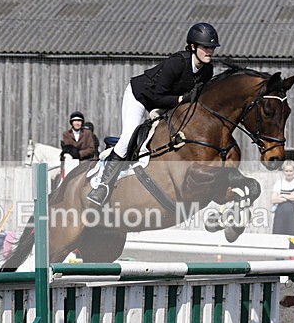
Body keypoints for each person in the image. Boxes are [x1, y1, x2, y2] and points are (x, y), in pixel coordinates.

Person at [87, 22, 221, 206]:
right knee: (128, 137)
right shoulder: (177, 62)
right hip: (141, 96)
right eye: (206, 47)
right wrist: (182, 99)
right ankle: (102, 185)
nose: (210, 51)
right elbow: (157, 96)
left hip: (166, 103)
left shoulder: (207, 70)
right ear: (193, 46)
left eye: (212, 47)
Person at [271, 160, 294, 240]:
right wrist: (289, 196)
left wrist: (282, 196)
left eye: (291, 171)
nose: (288, 173)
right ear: (283, 171)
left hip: (293, 215)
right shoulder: (279, 183)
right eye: (286, 171)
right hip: (280, 214)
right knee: (278, 234)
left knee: (292, 235)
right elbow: (273, 200)